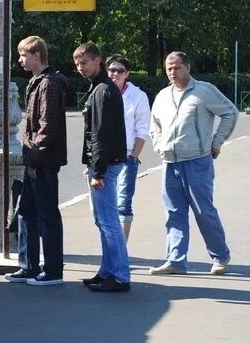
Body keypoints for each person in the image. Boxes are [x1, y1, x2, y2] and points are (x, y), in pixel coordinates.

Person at [148, 51, 238, 276]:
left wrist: (216, 143)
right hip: (170, 163)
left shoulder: (204, 91)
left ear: (188, 67)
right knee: (173, 213)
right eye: (168, 68)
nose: (172, 72)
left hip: (197, 162)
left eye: (177, 67)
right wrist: (160, 146)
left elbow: (230, 113)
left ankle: (220, 257)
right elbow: (154, 126)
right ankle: (175, 260)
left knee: (203, 212)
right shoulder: (162, 96)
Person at [4, 36, 69, 287]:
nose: (20, 59)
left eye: (23, 55)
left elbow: (47, 128)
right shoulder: (38, 82)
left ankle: (53, 270)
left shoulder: (48, 84)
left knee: (46, 215)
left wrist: (34, 161)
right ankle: (29, 267)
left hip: (42, 162)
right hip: (35, 160)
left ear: (37, 56)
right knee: (27, 213)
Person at [73, 42, 131, 292]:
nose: (80, 68)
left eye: (84, 62)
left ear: (98, 61)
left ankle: (119, 276)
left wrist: (96, 170)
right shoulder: (101, 88)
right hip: (105, 164)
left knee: (108, 222)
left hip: (105, 167)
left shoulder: (102, 91)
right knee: (104, 221)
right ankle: (107, 271)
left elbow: (100, 135)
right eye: (77, 63)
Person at [105, 54, 151, 242]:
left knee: (123, 204)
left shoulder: (138, 96)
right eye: (111, 70)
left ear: (127, 74)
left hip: (125, 159)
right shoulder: (101, 92)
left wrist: (133, 156)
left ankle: (120, 249)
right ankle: (109, 248)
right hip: (104, 159)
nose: (115, 74)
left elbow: (142, 129)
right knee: (104, 207)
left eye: (119, 71)